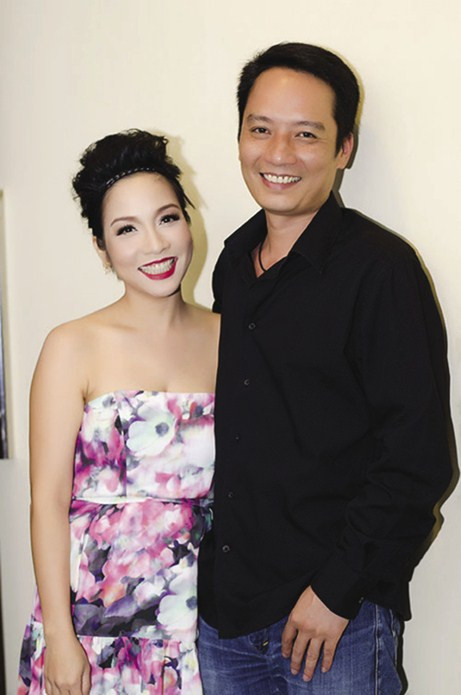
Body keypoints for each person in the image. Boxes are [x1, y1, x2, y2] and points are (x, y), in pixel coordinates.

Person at [197, 43, 452, 694]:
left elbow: (419, 458)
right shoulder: (232, 265)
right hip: (226, 619)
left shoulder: (380, 270)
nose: (278, 154)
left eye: (305, 134)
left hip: (335, 621)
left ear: (344, 148)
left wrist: (337, 591)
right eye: (260, 129)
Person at [18, 129, 219, 694]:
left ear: (188, 222)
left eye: (167, 218)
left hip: (202, 632)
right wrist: (60, 638)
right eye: (126, 229)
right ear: (102, 249)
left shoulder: (231, 340)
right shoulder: (72, 346)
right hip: (92, 632)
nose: (154, 244)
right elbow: (48, 503)